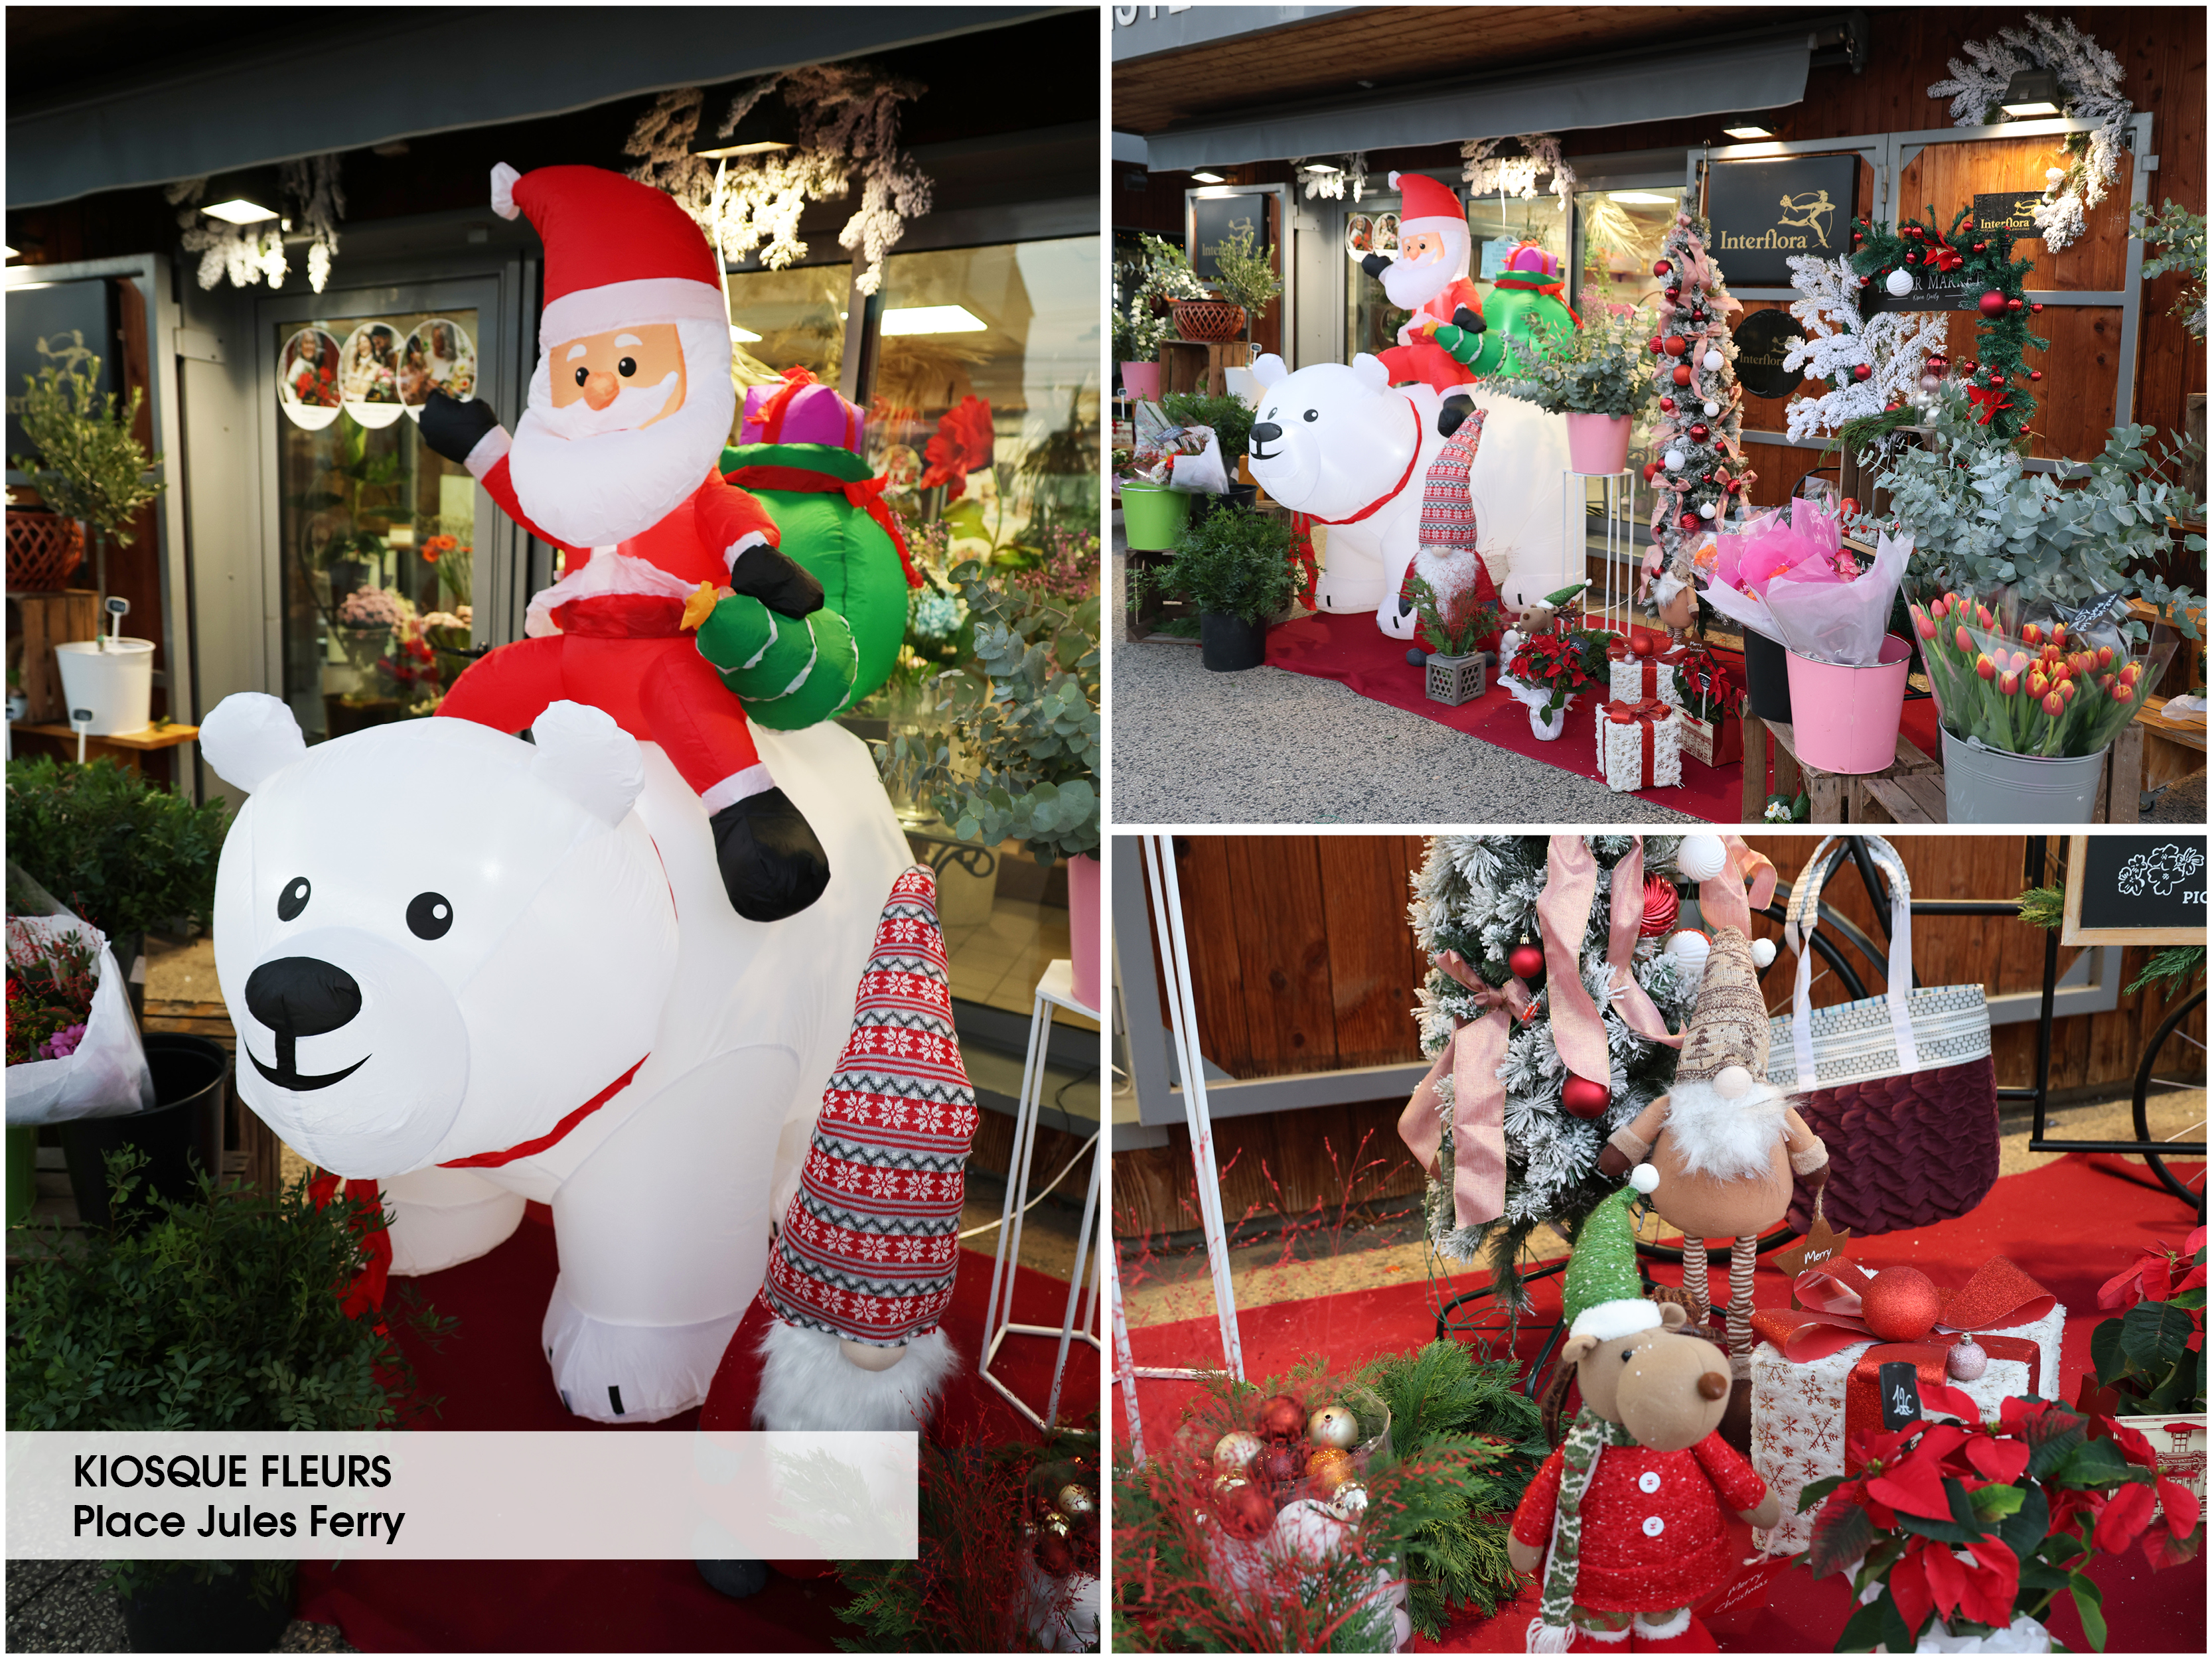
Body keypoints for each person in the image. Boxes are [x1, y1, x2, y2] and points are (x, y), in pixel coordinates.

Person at [419, 163, 831, 922]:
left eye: (630, 363)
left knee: (697, 716)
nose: (602, 387)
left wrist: (757, 561)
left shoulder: (692, 482)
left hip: (663, 656)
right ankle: (429, 786)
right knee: (489, 685)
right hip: (575, 653)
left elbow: (729, 516)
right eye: (582, 370)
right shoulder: (574, 486)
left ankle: (753, 823)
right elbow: (535, 499)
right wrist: (480, 442)